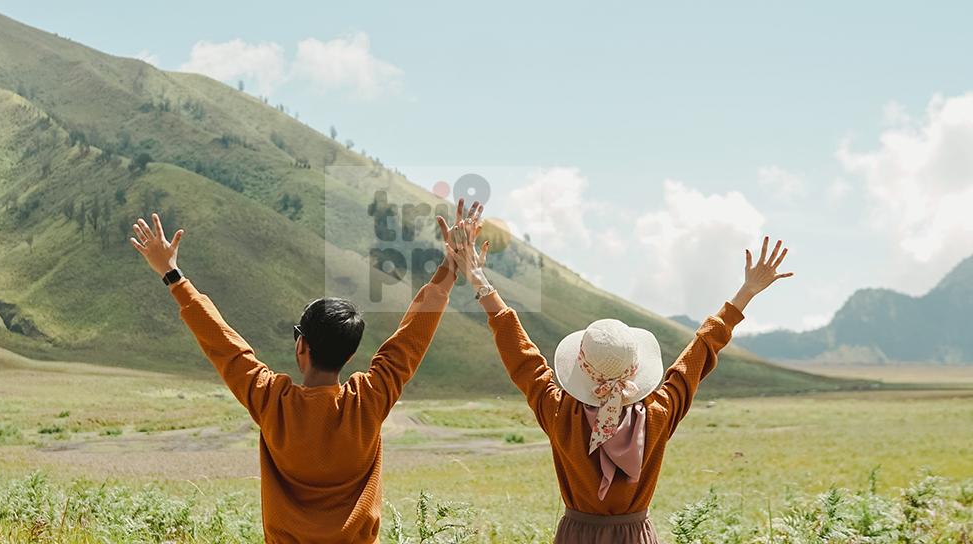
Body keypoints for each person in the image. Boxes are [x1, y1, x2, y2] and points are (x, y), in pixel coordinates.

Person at [128, 199, 480, 543]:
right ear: (351, 352)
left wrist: (172, 275)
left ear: (301, 347)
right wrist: (451, 265)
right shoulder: (369, 400)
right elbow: (412, 337)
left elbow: (224, 346)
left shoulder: (272, 402)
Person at [444, 205, 793, 543]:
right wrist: (745, 293)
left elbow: (521, 356)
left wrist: (478, 278)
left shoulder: (559, 411)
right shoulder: (659, 411)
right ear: (637, 368)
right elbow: (699, 352)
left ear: (580, 368)